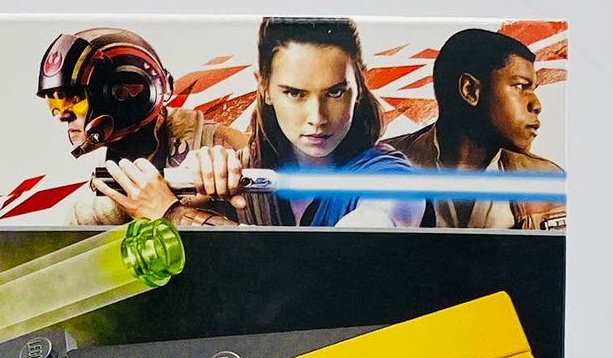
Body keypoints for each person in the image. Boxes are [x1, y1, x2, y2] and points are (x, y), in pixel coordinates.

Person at [165, 17, 425, 228]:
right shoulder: (241, 167)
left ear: (360, 83)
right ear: (264, 87)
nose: (317, 118)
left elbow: (365, 233)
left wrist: (178, 216)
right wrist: (189, 185)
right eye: (295, 94)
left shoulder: (387, 176)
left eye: (335, 92)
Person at [35, 27, 245, 227]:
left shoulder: (228, 150)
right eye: (55, 103)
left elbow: (258, 244)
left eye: (75, 100)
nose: (62, 115)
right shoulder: (88, 210)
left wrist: (171, 214)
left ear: (122, 95)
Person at [390, 28, 563, 230]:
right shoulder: (380, 165)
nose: (536, 105)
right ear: (470, 90)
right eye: (520, 86)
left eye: (532, 90)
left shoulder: (549, 181)